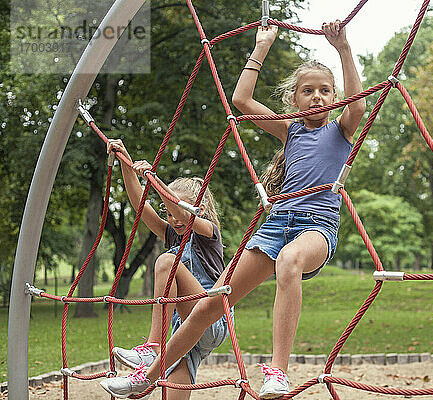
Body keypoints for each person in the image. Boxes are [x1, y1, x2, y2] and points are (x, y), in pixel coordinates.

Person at [100, 19, 365, 399]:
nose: (318, 97)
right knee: (212, 303)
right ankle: (150, 374)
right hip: (276, 224)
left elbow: (359, 104)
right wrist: (261, 46)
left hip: (316, 228)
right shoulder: (290, 130)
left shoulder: (339, 131)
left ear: (334, 96)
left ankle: (278, 371)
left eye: (325, 91)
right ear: (295, 99)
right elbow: (241, 101)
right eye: (308, 91)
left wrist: (342, 47)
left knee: (289, 261)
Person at [100, 139, 231, 400]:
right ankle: (158, 353)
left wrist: (154, 180)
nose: (172, 219)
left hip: (213, 318)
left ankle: (153, 346)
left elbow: (184, 214)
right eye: (168, 215)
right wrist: (126, 162)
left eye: (176, 213)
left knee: (166, 262)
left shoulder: (208, 233)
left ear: (199, 209)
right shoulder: (173, 234)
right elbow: (140, 206)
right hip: (185, 325)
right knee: (175, 371)